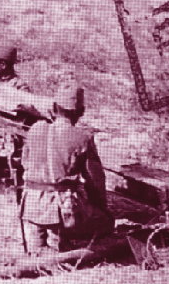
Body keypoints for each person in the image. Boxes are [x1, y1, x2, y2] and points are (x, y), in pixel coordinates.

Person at [19, 84, 114, 255]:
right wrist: (101, 208)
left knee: (38, 243)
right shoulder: (83, 137)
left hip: (30, 206)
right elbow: (95, 181)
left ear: (55, 107)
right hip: (61, 210)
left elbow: (24, 162)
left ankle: (41, 243)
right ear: (81, 112)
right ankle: (60, 242)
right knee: (106, 222)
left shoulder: (35, 129)